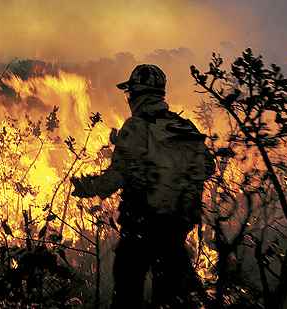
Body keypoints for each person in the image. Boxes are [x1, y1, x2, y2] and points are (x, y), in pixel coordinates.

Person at [71, 64, 215, 308]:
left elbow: (115, 178)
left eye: (130, 94)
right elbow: (208, 167)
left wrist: (88, 187)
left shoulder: (136, 126)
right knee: (169, 298)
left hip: (141, 228)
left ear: (135, 95)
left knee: (128, 294)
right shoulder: (185, 127)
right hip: (177, 228)